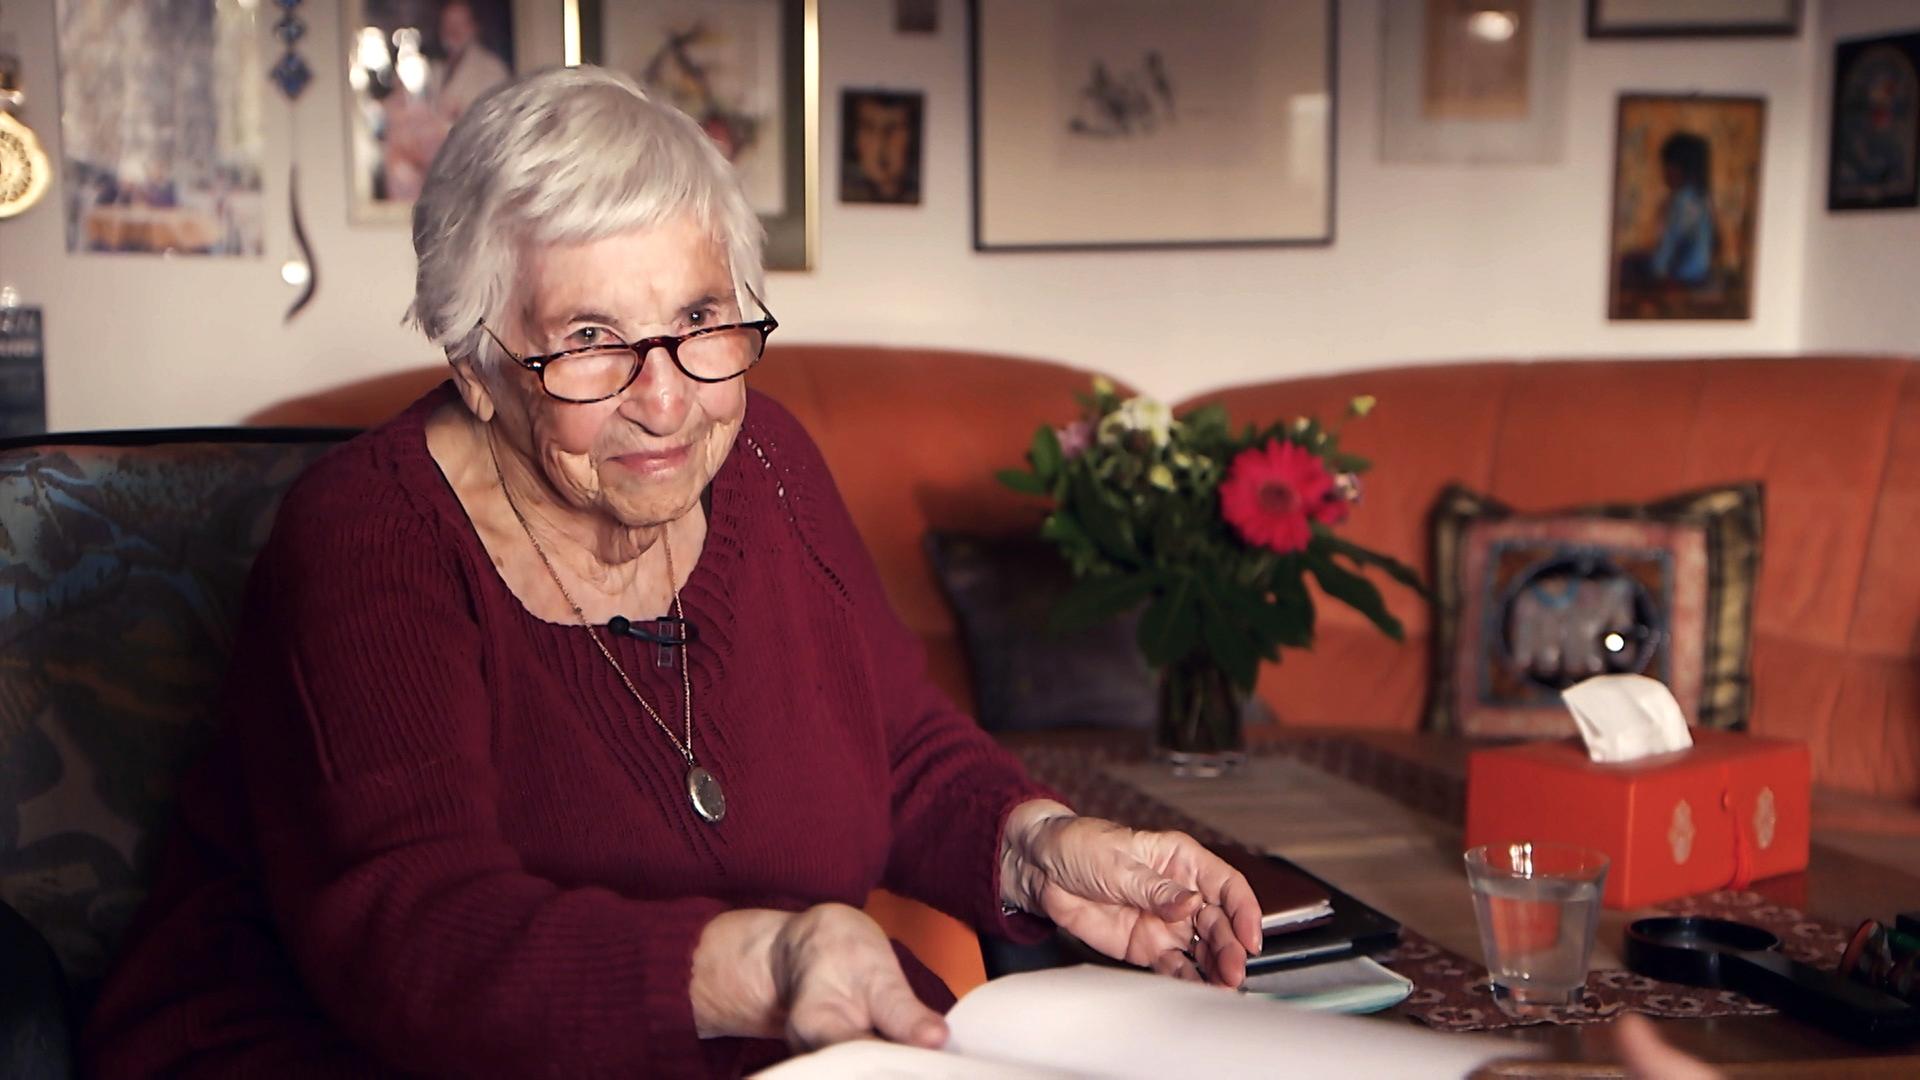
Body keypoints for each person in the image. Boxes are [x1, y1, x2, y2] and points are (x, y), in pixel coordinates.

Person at [78, 66, 1266, 1077]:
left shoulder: (767, 461)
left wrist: (1038, 845)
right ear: (478, 361)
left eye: (701, 319)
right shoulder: (368, 540)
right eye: (591, 340)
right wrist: (761, 966)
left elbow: (893, 744)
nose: (666, 401)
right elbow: (414, 940)